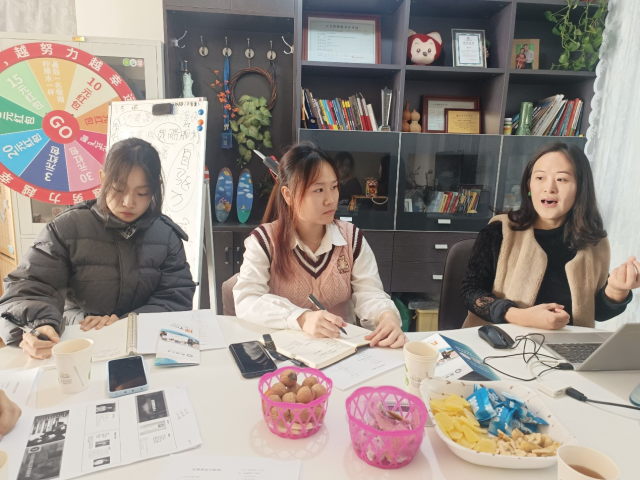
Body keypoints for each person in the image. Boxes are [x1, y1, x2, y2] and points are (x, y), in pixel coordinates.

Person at [0, 138, 196, 358]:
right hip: (80, 339)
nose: (128, 202)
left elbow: (175, 296)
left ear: (155, 188)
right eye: (118, 189)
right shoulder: (67, 227)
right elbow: (29, 286)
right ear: (103, 179)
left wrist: (126, 323)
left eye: (142, 193)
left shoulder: (166, 234)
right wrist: (41, 324)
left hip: (144, 346)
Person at [233, 142, 406, 348]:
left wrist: (386, 316)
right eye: (319, 190)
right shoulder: (264, 241)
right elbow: (247, 298)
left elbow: (369, 292)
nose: (330, 199)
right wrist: (301, 318)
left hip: (344, 349)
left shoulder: (352, 239)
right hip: (287, 351)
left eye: (334, 187)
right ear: (288, 195)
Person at [461, 142, 638, 330]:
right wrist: (520, 316)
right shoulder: (499, 231)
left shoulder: (594, 243)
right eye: (540, 178)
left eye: (561, 179)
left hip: (568, 345)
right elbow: (471, 292)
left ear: (580, 188)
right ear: (529, 185)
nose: (549, 188)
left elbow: (597, 313)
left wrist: (616, 290)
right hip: (501, 341)